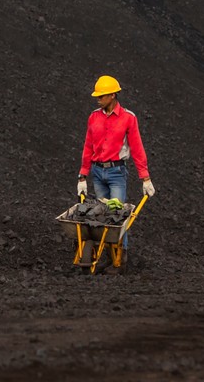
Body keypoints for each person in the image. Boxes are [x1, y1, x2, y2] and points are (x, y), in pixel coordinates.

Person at [75, 74, 156, 271]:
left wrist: (145, 178)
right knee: (101, 216)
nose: (98, 99)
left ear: (112, 95)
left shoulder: (128, 118)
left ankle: (120, 258)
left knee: (118, 216)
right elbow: (88, 146)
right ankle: (106, 256)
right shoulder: (94, 117)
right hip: (97, 171)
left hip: (116, 172)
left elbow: (137, 147)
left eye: (101, 96)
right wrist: (82, 175)